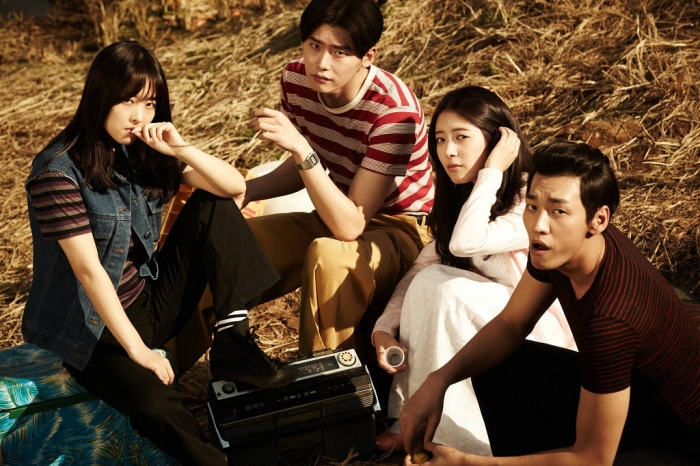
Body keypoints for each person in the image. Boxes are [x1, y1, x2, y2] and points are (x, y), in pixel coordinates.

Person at [23, 41, 297, 466]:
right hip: (90, 331)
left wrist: (181, 148)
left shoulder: (142, 150)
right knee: (157, 406)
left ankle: (233, 340)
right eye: (128, 101)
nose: (139, 116)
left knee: (212, 203)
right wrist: (139, 352)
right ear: (100, 96)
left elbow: (233, 188)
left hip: (146, 303)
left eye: (149, 103)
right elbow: (89, 270)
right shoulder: (57, 172)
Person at [399, 141, 700, 465]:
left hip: (677, 440)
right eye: (532, 206)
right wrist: (438, 380)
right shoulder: (563, 246)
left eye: (558, 211)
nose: (538, 226)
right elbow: (512, 323)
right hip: (632, 398)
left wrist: (467, 463)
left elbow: (592, 459)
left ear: (598, 219)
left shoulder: (611, 319)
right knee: (496, 362)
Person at [371, 86, 575, 455]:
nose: (448, 150)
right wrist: (383, 331)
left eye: (461, 137)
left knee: (447, 289)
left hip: (542, 340)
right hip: (486, 334)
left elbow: (465, 243)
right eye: (440, 139)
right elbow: (420, 271)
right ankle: (412, 418)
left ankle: (452, 438)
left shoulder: (531, 201)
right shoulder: (464, 202)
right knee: (431, 281)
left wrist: (493, 170)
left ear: (499, 141)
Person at [238, 0, 434, 356]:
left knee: (330, 256)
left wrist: (301, 148)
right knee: (241, 242)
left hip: (402, 227)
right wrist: (248, 191)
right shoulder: (296, 79)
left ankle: (325, 378)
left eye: (339, 52)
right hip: (336, 209)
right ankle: (160, 364)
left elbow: (349, 225)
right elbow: (306, 168)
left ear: (367, 56)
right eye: (315, 45)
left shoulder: (393, 111)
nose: (321, 63)